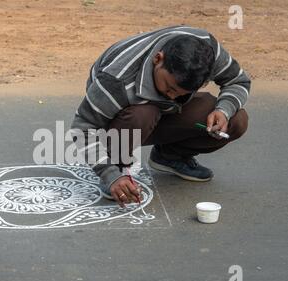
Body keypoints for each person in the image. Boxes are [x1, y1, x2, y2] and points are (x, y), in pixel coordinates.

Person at [70, 25, 250, 208]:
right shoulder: (115, 80)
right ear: (158, 59)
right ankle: (116, 169)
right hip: (120, 121)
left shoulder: (207, 51)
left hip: (168, 111)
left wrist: (224, 111)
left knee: (237, 120)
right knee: (143, 114)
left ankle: (170, 156)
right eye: (169, 87)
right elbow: (83, 128)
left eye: (180, 93)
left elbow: (238, 80)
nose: (172, 95)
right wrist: (109, 174)